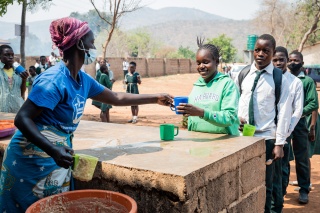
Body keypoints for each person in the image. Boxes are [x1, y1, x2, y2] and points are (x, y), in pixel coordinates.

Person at [0, 17, 173, 212]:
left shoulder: (83, 79)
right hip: (30, 160)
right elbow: (22, 119)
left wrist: (155, 98)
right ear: (80, 43)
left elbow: (116, 97)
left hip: (56, 157)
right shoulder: (54, 80)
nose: (93, 46)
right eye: (91, 42)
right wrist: (53, 149)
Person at [235, 34, 291, 213]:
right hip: (244, 138)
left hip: (266, 139)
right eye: (257, 50)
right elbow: (235, 101)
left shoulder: (278, 78)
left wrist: (279, 143)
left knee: (267, 184)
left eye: (266, 51)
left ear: (273, 52)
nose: (260, 54)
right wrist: (237, 118)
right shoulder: (243, 74)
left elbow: (284, 112)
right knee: (243, 182)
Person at [176, 39, 239, 135]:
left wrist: (202, 113)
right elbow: (192, 118)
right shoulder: (197, 85)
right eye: (198, 63)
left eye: (205, 62)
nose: (201, 66)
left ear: (216, 62)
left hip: (224, 144)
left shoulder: (227, 84)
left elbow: (229, 117)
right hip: (198, 142)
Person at [284, 50, 319, 204]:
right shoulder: (284, 79)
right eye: (290, 60)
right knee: (284, 156)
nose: (293, 62)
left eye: (296, 60)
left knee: (302, 158)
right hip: (284, 124)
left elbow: (313, 104)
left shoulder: (307, 81)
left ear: (302, 63)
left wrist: (297, 113)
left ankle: (304, 189)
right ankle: (282, 187)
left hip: (300, 124)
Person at [272, 46, 304, 206]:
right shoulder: (268, 79)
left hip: (286, 131)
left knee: (283, 165)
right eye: (275, 60)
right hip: (268, 130)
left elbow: (297, 111)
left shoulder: (295, 82)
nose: (278, 63)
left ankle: (280, 195)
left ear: (287, 60)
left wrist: (285, 132)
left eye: (281, 59)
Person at [0, 45, 29, 113]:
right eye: (7, 55)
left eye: (12, 55)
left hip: (16, 108)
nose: (10, 57)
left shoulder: (18, 71)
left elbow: (22, 93)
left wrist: (24, 80)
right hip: (1, 110)